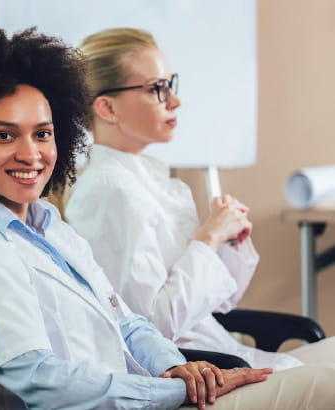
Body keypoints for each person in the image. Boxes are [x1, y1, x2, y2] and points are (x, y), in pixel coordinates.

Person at [0, 21, 335, 410]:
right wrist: (175, 390)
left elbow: (128, 321)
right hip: (139, 403)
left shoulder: (49, 226)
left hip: (152, 395)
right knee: (325, 387)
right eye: (4, 135)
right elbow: (37, 382)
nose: (30, 153)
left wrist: (178, 369)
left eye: (43, 134)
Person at [65, 27, 335, 371]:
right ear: (106, 107)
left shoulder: (145, 178)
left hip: (220, 353)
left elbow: (223, 301)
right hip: (197, 373)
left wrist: (225, 241)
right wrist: (207, 239)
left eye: (169, 84)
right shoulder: (107, 191)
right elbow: (151, 329)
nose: (175, 101)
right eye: (156, 89)